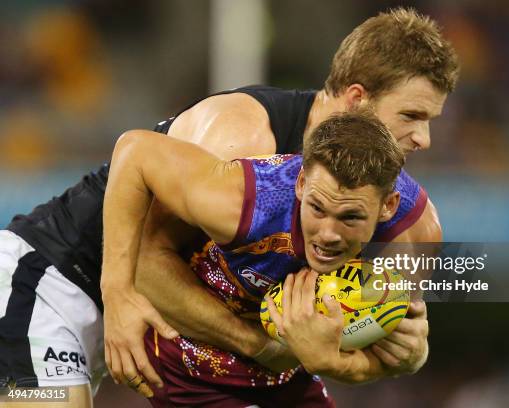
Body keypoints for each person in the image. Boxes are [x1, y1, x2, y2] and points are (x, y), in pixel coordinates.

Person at [0, 6, 458, 406]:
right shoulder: (243, 140)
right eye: (411, 116)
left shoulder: (382, 203)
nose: (424, 139)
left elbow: (353, 324)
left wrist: (399, 350)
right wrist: (261, 345)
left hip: (147, 323)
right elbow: (146, 257)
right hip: (54, 281)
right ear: (357, 99)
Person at [102, 111, 439, 407]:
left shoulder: (410, 238)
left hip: (285, 380)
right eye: (317, 208)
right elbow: (135, 149)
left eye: (350, 217)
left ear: (388, 207)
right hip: (194, 363)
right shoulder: (244, 201)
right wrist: (116, 292)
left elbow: (384, 358)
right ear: (302, 184)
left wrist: (405, 357)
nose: (328, 234)